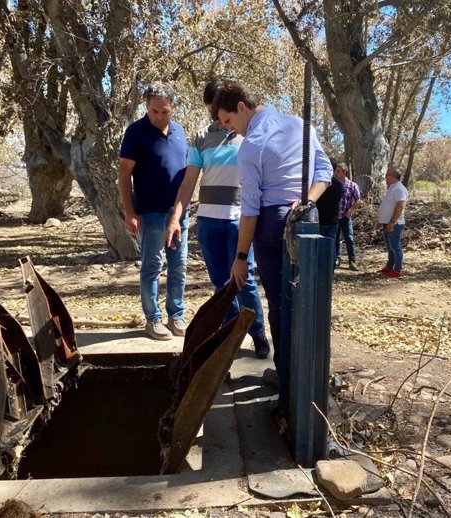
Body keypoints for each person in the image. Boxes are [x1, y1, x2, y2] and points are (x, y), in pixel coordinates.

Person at [212, 79, 332, 365]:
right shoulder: (300, 125)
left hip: (273, 224)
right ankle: (303, 378)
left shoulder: (252, 145)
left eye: (228, 120)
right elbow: (325, 170)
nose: (229, 128)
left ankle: (285, 380)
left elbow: (250, 209)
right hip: (308, 219)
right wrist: (309, 201)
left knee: (280, 303)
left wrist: (241, 257)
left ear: (241, 107)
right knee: (307, 300)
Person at [166, 80, 271, 359]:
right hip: (209, 222)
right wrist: (176, 217)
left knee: (244, 280)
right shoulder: (201, 138)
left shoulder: (250, 134)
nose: (220, 121)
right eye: (214, 115)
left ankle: (258, 333)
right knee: (221, 285)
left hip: (240, 221)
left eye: (222, 114)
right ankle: (229, 336)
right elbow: (189, 183)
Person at [118, 82, 189, 341]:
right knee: (152, 266)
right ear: (146, 107)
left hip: (178, 213)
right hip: (150, 212)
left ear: (173, 108)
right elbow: (124, 173)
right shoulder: (136, 132)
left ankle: (176, 315)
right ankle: (153, 319)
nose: (159, 116)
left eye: (165, 111)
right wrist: (129, 212)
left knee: (178, 266)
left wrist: (180, 213)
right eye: (154, 111)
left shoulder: (180, 132)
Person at [377, 165, 408, 278]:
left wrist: (392, 221)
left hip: (395, 223)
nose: (385, 177)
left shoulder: (399, 188)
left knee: (395, 246)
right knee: (390, 247)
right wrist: (382, 220)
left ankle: (397, 269)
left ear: (393, 176)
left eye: (387, 175)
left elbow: (400, 206)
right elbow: (388, 205)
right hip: (386, 222)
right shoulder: (392, 187)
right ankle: (389, 267)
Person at [316, 158, 344, 272]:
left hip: (322, 220)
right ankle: (329, 271)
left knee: (319, 247)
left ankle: (321, 270)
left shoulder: (319, 184)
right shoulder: (339, 185)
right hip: (332, 220)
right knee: (331, 246)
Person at [335, 162, 364, 271]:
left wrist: (351, 210)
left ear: (344, 171)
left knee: (349, 239)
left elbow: (359, 199)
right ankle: (336, 259)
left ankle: (352, 261)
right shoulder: (334, 184)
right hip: (334, 217)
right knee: (336, 239)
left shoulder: (352, 185)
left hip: (346, 217)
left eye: (338, 171)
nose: (336, 173)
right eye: (336, 171)